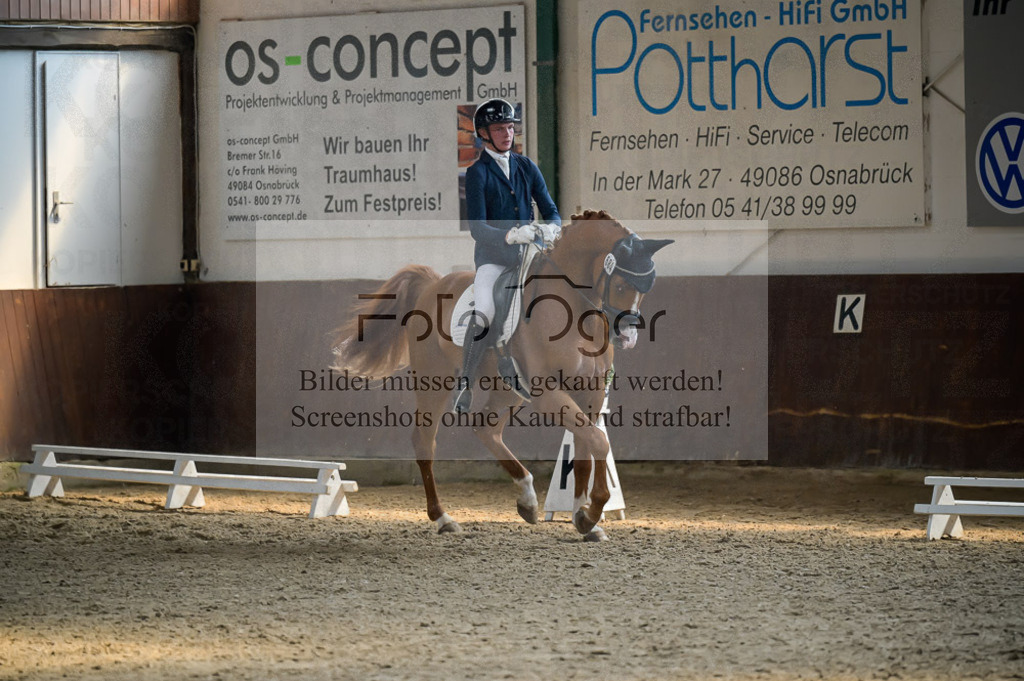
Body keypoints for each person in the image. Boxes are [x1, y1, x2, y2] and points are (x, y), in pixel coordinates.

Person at [455, 98, 561, 413]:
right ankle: (465, 383)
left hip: (529, 255)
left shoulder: (527, 166)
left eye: (510, 127)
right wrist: (508, 234)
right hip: (493, 258)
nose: (507, 134)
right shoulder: (477, 173)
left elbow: (551, 210)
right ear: (485, 134)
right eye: (500, 128)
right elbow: (477, 228)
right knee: (486, 309)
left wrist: (551, 229)